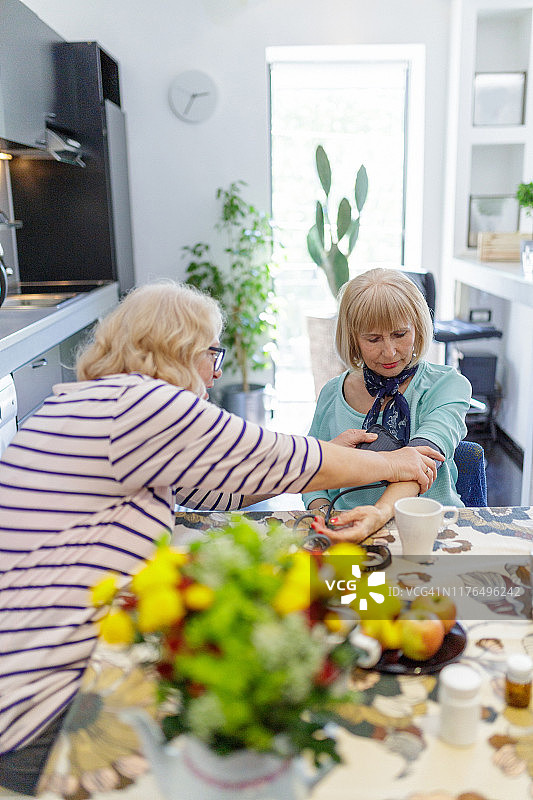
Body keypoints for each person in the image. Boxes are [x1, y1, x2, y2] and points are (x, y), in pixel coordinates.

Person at [0, 280, 443, 793]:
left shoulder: (92, 405)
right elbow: (268, 456)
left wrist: (323, 454)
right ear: (180, 348)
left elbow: (220, 487)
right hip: (44, 706)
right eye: (213, 353)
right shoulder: (140, 404)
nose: (215, 372)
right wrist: (392, 459)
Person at [304, 267, 471, 543]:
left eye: (400, 334)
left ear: (417, 328)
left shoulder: (448, 385)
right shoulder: (332, 394)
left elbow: (422, 460)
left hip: (431, 531)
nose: (390, 351)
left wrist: (377, 513)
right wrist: (326, 517)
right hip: (348, 533)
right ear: (353, 339)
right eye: (373, 339)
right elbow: (313, 472)